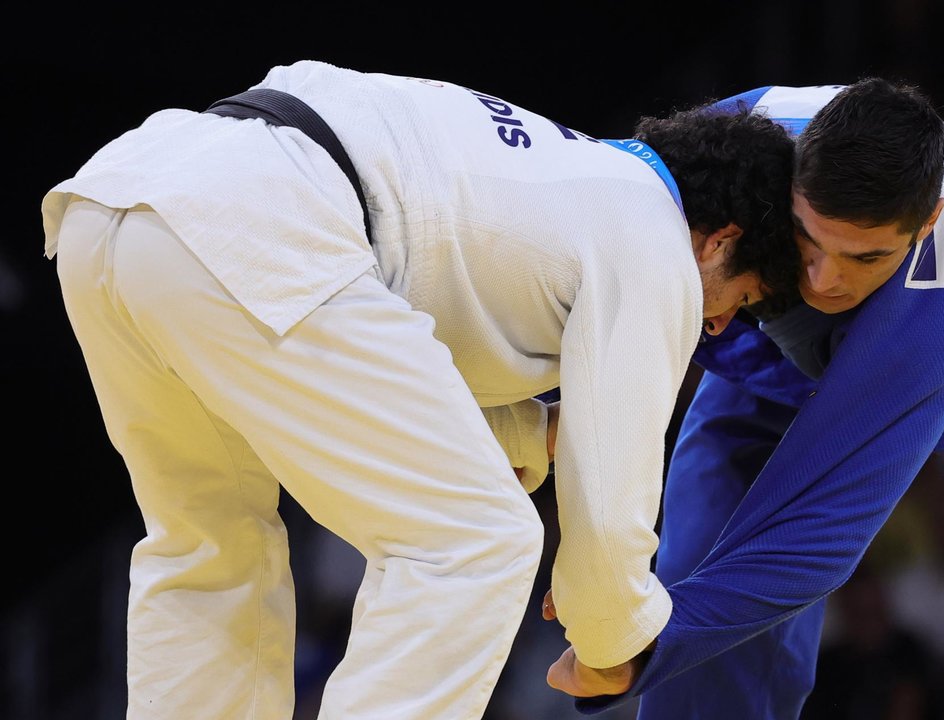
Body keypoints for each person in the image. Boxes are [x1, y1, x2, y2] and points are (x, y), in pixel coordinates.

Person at [40, 59, 800, 719]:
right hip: (257, 226)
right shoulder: (657, 241)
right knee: (475, 542)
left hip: (123, 200)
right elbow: (611, 507)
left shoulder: (566, 179)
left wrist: (530, 436)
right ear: (720, 241)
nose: (717, 325)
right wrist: (617, 639)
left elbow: (380, 372)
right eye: (739, 299)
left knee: (211, 549)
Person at [546, 78, 944, 719]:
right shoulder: (738, 138)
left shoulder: (943, 297)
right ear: (792, 176)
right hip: (785, 343)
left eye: (865, 255)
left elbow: (817, 532)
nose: (826, 278)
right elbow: (585, 243)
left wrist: (640, 649)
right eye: (809, 237)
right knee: (703, 566)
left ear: (926, 221)